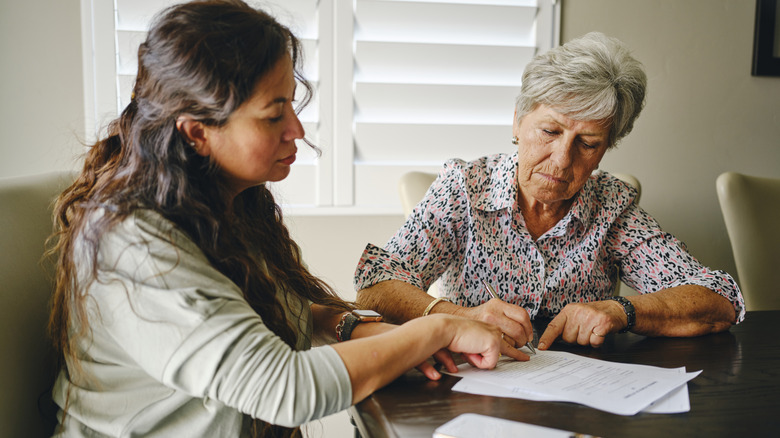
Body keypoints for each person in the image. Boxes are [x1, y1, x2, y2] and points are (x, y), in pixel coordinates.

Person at [46, 1, 525, 437]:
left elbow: (285, 308)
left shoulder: (225, 203)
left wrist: (362, 329)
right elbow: (284, 389)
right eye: (274, 114)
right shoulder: (134, 244)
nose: (296, 129)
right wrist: (437, 329)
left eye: (293, 104)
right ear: (197, 133)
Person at [354, 32, 745, 352]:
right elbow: (375, 284)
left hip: (580, 398)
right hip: (473, 387)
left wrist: (620, 309)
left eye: (587, 143)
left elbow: (718, 299)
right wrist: (458, 315)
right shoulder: (465, 189)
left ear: (605, 150)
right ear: (518, 122)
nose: (561, 160)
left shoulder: (613, 207)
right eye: (550, 131)